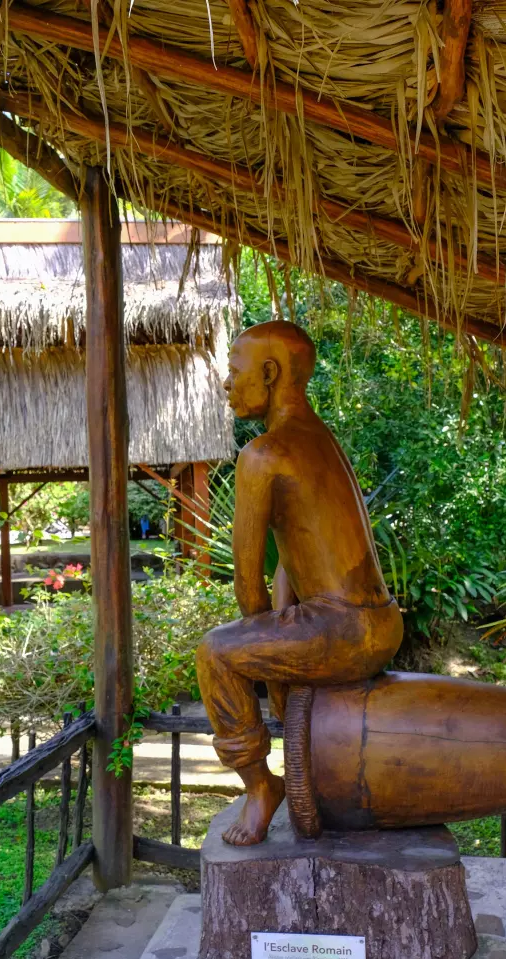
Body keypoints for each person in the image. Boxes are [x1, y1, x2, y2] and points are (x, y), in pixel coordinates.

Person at [196, 321, 403, 846]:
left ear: (269, 373)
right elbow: (292, 558)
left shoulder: (264, 454)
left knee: (216, 653)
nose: (226, 382)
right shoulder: (321, 441)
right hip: (380, 625)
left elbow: (248, 588)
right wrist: (283, 647)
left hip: (341, 629)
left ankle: (261, 786)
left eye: (235, 370)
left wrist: (273, 676)